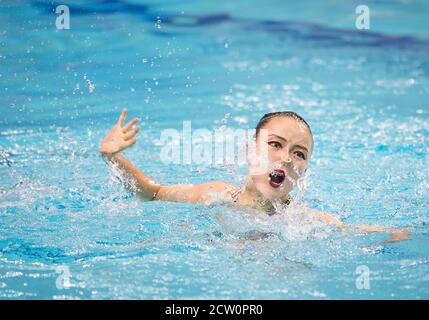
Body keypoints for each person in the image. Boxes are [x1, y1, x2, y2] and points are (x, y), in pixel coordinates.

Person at [100, 109, 410, 243]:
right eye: (275, 145)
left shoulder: (304, 219)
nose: (287, 158)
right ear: (251, 151)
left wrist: (395, 233)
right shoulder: (216, 193)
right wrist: (113, 157)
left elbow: (353, 230)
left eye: (300, 153)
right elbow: (152, 193)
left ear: (304, 171)